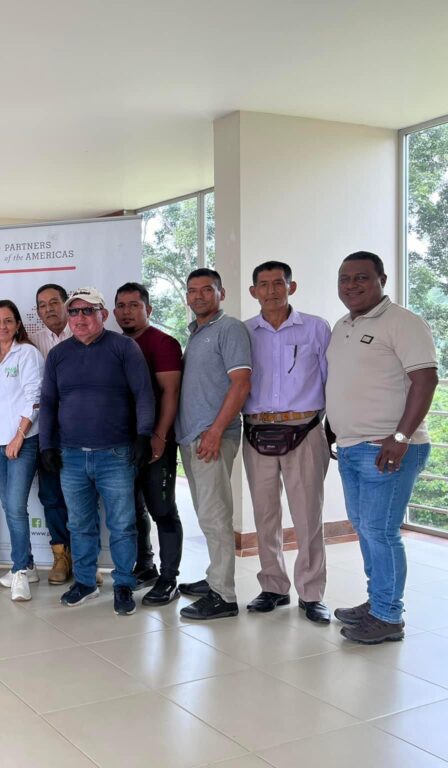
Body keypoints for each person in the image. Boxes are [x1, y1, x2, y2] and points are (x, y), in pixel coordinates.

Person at [327, 251, 438, 644]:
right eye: (344, 278)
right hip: (352, 447)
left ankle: (389, 616)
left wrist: (401, 437)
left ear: (382, 280)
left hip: (387, 448)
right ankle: (378, 602)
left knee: (381, 531)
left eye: (361, 278)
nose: (351, 285)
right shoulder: (343, 324)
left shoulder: (404, 323)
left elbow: (426, 381)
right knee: (366, 529)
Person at [40, 288, 154, 615]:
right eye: (73, 312)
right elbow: (48, 403)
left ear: (103, 315)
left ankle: (122, 585)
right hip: (71, 456)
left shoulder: (124, 348)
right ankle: (87, 583)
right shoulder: (59, 355)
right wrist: (47, 445)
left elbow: (144, 395)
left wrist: (144, 435)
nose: (79, 318)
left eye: (87, 311)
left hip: (115, 455)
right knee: (79, 525)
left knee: (122, 524)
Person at [242, 262, 332, 624]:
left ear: (291, 287)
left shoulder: (315, 328)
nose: (271, 290)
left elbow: (331, 380)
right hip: (256, 430)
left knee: (308, 514)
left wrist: (331, 428)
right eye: (263, 285)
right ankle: (274, 586)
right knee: (265, 515)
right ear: (253, 292)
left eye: (278, 283)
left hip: (305, 430)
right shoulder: (245, 332)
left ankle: (311, 593)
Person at [175, 268, 252, 621]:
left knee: (216, 515)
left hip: (212, 436)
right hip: (193, 436)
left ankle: (223, 596)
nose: (199, 296)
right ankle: (214, 578)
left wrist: (216, 431)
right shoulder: (197, 334)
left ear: (221, 293)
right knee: (208, 515)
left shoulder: (230, 328)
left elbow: (241, 384)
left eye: (207, 290)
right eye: (193, 291)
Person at [114, 282, 184, 606]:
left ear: (148, 309)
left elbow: (171, 393)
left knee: (162, 509)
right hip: (121, 445)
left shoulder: (163, 343)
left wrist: (159, 437)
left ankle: (169, 578)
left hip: (157, 442)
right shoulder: (114, 344)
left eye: (133, 305)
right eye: (121, 306)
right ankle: (146, 565)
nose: (127, 312)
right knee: (133, 509)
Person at [0, 300, 44, 602]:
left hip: (22, 440)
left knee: (17, 508)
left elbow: (35, 397)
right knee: (9, 506)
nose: (2, 326)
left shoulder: (28, 353)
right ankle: (28, 563)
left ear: (18, 324)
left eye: (8, 320)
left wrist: (19, 436)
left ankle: (19, 571)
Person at [30, 283, 74, 585]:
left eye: (54, 302)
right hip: (45, 432)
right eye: (42, 304)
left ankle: (84, 559)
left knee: (82, 498)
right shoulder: (31, 343)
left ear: (67, 304)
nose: (49, 309)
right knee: (51, 496)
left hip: (82, 430)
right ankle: (61, 556)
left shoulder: (85, 332)